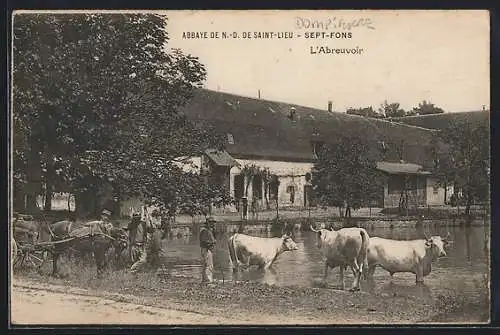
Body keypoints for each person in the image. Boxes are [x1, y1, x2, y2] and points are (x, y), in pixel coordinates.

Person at [130, 206, 165, 273]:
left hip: (142, 244)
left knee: (143, 260)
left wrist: (147, 216)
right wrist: (143, 210)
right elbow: (133, 218)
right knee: (137, 260)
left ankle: (134, 270)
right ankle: (134, 271)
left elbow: (151, 227)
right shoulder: (133, 225)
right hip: (135, 245)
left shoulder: (144, 224)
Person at [200, 217, 217, 283]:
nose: (212, 224)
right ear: (207, 223)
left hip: (209, 249)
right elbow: (204, 241)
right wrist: (212, 243)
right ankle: (208, 280)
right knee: (208, 265)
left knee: (208, 264)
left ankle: (206, 279)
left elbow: (214, 238)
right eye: (210, 223)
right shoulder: (204, 231)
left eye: (212, 223)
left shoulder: (210, 231)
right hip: (206, 249)